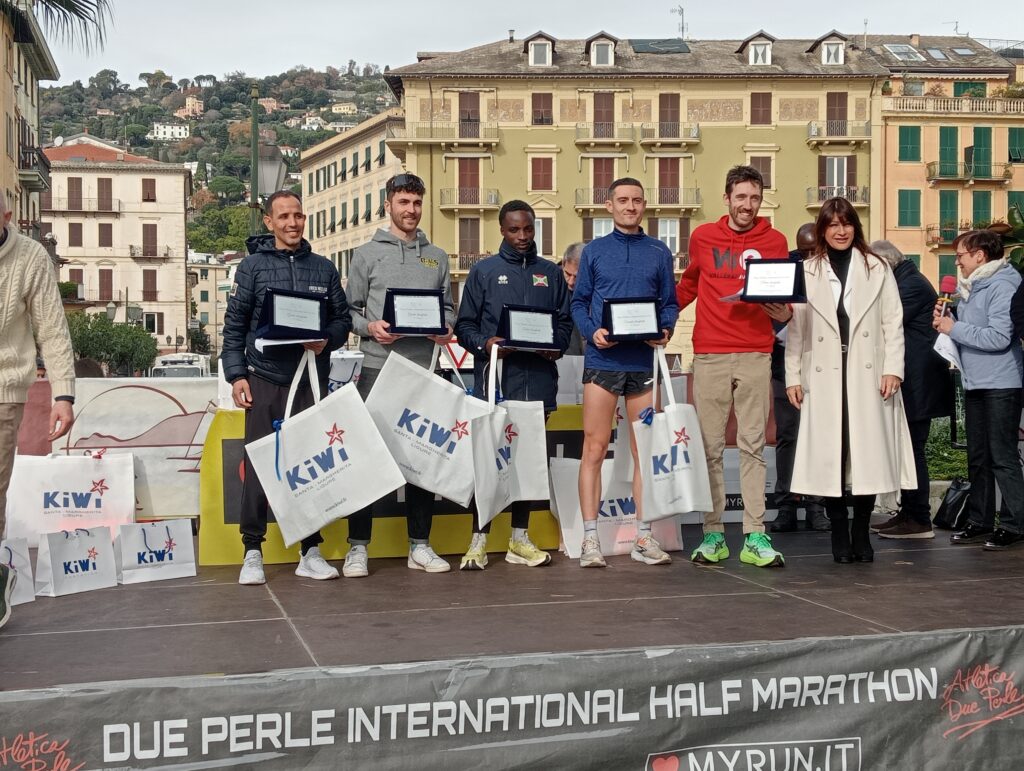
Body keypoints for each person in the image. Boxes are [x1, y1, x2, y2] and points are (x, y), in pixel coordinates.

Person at [222, 190, 352, 585]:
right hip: (264, 379)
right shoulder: (251, 267)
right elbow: (234, 327)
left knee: (310, 467)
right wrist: (237, 375)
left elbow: (342, 321)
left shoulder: (324, 268)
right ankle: (252, 551)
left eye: (297, 215)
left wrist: (327, 339)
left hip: (309, 380)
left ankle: (310, 551)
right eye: (283, 217)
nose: (292, 223)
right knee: (259, 467)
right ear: (269, 222)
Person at [785, 198, 912, 563]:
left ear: (856, 227)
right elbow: (797, 329)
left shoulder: (877, 267)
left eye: (847, 223)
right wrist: (793, 375)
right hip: (822, 373)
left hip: (867, 373)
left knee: (865, 456)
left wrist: (893, 368)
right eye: (833, 224)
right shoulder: (807, 270)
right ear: (822, 230)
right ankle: (839, 530)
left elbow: (893, 321)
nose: (840, 231)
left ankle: (861, 531)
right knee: (831, 456)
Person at [677, 165, 790, 568]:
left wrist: (786, 314)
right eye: (741, 197)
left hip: (756, 351)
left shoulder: (775, 240)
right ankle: (713, 534)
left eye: (755, 198)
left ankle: (755, 534)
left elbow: (783, 295)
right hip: (710, 352)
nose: (748, 205)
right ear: (727, 198)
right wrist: (659, 320)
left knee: (753, 446)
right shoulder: (703, 237)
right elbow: (689, 285)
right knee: (709, 447)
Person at [344, 172, 456, 576]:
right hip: (377, 368)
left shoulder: (437, 257)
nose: (411, 210)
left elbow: (447, 309)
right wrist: (370, 327)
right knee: (367, 458)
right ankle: (358, 546)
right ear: (388, 204)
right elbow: (349, 311)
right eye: (404, 202)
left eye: (416, 202)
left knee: (423, 461)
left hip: (425, 371)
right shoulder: (365, 255)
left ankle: (420, 545)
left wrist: (445, 327)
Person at [455, 200, 573, 569]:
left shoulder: (550, 274)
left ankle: (519, 539)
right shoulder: (484, 272)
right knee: (488, 464)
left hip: (538, 383)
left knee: (528, 464)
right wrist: (486, 344)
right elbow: (464, 326)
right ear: (502, 230)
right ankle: (478, 540)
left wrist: (556, 347)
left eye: (528, 229)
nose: (522, 236)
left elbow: (565, 324)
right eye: (514, 229)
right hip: (495, 382)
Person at [570, 177, 679, 568]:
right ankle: (589, 538)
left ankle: (643, 536)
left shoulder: (659, 251)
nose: (630, 206)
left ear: (644, 205)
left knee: (644, 454)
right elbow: (579, 302)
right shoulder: (594, 252)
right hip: (603, 364)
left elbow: (669, 304)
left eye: (636, 200)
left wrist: (666, 329)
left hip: (643, 365)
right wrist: (592, 332)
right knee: (594, 448)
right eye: (623, 200)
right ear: (609, 205)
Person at [0, 196, 76, 629]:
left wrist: (63, 394)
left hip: (4, 389)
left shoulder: (30, 258)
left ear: (7, 216)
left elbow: (52, 328)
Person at [933, 230, 1024, 550]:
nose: (957, 262)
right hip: (975, 381)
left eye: (960, 256)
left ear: (980, 255)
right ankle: (980, 520)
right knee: (978, 456)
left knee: (1002, 456)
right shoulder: (972, 287)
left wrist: (954, 327)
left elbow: (999, 337)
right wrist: (950, 316)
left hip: (1002, 382)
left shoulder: (1003, 285)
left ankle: (1014, 524)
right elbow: (973, 327)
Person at [871, 240, 953, 540]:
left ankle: (919, 518)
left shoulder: (910, 286)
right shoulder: (907, 280)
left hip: (919, 382)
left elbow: (884, 322)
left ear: (885, 263)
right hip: (917, 380)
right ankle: (909, 513)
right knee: (907, 449)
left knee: (913, 450)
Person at [770, 223, 828, 534]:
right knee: (788, 436)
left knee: (818, 436)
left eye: (813, 251)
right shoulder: (784, 271)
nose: (807, 257)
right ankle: (786, 506)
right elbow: (767, 311)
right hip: (783, 365)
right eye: (802, 251)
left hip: (822, 365)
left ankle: (817, 506)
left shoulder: (834, 272)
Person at [561, 242, 585, 356]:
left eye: (577, 277)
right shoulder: (554, 285)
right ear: (563, 264)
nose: (571, 282)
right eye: (567, 274)